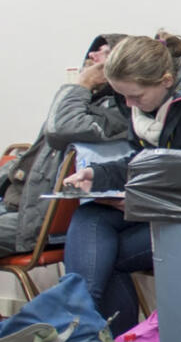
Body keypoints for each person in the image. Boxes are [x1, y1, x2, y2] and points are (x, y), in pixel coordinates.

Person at [62, 31, 181, 333]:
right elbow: (144, 161)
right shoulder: (150, 107)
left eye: (135, 96)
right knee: (91, 215)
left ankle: (80, 330)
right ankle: (88, 332)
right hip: (164, 212)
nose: (129, 104)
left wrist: (145, 200)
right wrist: (98, 176)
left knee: (105, 255)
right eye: (123, 96)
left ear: (167, 80)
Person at [0, 34, 131, 256]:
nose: (92, 55)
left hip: (35, 222)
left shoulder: (121, 111)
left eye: (104, 52)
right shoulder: (84, 102)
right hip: (15, 204)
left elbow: (60, 129)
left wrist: (82, 83)